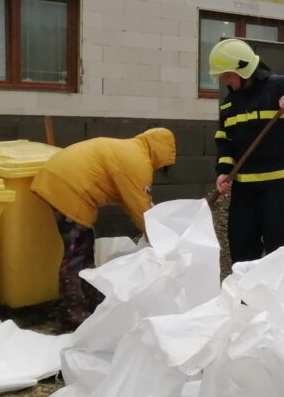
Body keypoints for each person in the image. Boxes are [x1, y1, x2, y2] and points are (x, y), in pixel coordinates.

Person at [30, 128, 177, 328]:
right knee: (76, 255)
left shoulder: (131, 151)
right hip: (69, 188)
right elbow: (140, 208)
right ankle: (71, 312)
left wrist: (153, 228)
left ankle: (93, 302)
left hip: (60, 180)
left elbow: (131, 202)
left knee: (85, 249)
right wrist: (158, 239)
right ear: (160, 151)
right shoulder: (137, 162)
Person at [209, 38, 284, 263]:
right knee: (241, 245)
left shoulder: (279, 86)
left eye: (227, 75)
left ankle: (279, 295)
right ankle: (246, 297)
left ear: (242, 70)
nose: (225, 81)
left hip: (279, 186)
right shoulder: (228, 103)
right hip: (244, 188)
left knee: (278, 248)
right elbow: (224, 139)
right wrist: (223, 170)